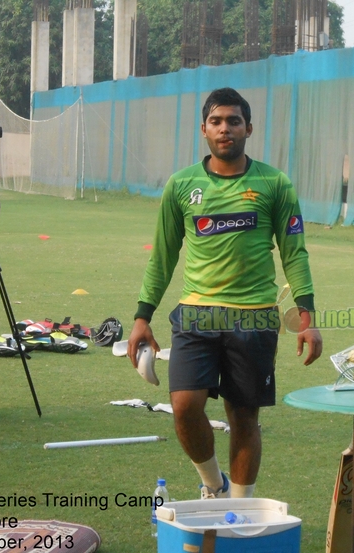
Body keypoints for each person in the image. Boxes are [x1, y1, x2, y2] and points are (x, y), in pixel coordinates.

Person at [127, 88, 323, 498]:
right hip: (196, 314)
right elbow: (162, 257)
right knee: (184, 406)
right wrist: (142, 317)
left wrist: (306, 315)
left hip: (253, 317)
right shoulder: (182, 185)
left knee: (244, 418)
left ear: (248, 128)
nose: (225, 128)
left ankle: (240, 507)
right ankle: (213, 485)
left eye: (234, 121)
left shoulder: (275, 182)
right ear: (203, 129)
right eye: (216, 121)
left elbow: (295, 253)